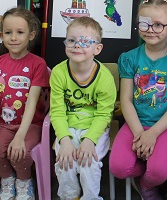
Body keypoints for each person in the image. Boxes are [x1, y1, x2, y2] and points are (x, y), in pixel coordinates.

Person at [110, 0, 167, 200]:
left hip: (164, 127)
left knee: (158, 173)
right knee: (118, 168)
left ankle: (147, 185)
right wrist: (140, 133)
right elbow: (126, 99)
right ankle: (143, 170)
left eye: (158, 25)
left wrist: (153, 133)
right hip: (135, 124)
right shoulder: (130, 58)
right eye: (144, 23)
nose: (150, 30)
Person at [0, 7, 49, 200]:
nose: (13, 38)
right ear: (1, 35)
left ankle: (24, 181)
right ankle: (7, 178)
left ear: (31, 35)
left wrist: (20, 137)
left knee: (20, 153)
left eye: (20, 32)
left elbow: (32, 102)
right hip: (4, 124)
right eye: (8, 33)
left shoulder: (38, 64)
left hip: (31, 124)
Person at [50, 17, 116, 200]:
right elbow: (57, 111)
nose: (77, 45)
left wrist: (89, 140)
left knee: (89, 162)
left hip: (94, 127)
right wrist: (65, 140)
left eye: (85, 41)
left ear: (97, 49)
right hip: (68, 126)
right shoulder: (58, 73)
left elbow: (104, 114)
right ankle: (70, 196)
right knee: (64, 161)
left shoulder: (104, 78)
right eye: (71, 40)